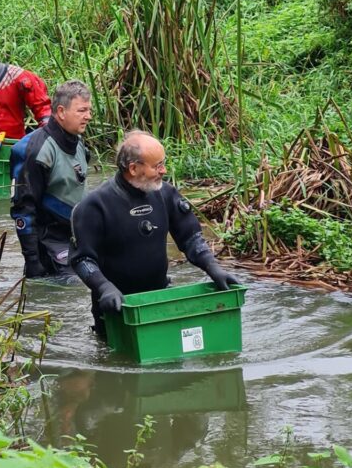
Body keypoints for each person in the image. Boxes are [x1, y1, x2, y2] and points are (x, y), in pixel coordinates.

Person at [70, 130, 239, 335]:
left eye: (163, 163)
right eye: (157, 165)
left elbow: (191, 238)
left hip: (159, 300)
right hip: (115, 305)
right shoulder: (95, 206)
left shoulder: (166, 194)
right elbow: (83, 259)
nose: (164, 170)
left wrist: (213, 267)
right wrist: (104, 287)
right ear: (133, 168)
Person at [10, 80, 92, 283]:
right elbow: (23, 209)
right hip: (49, 242)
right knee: (75, 290)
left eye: (89, 110)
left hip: (74, 236)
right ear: (61, 112)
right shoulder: (37, 151)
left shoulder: (78, 142)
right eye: (82, 111)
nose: (88, 117)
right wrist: (32, 261)